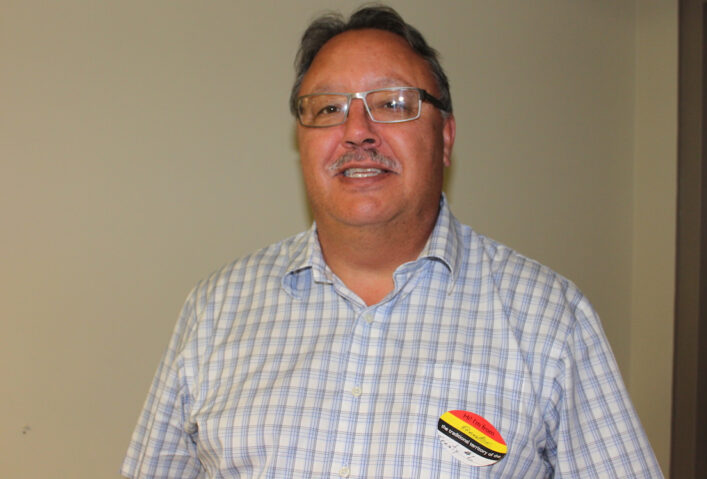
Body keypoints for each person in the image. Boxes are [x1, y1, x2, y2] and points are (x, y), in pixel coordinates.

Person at [122, 5, 663, 478]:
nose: (357, 131)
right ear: (302, 142)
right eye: (328, 108)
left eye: (393, 103)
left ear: (445, 138)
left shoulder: (551, 321)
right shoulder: (216, 310)